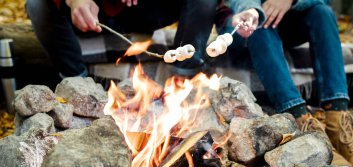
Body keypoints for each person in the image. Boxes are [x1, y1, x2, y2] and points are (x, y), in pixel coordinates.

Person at [217, 0, 353, 167]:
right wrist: (253, 10)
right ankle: (301, 124)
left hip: (283, 20)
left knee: (322, 12)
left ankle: (338, 126)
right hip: (239, 23)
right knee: (261, 20)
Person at [26, 0, 218, 78]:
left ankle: (185, 77)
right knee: (37, 4)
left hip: (151, 11)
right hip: (92, 13)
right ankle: (76, 81)